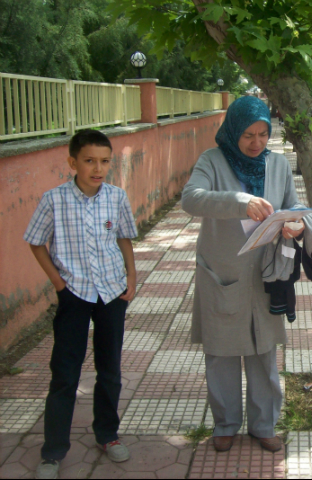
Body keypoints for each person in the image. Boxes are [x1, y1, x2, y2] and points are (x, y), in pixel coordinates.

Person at [181, 95, 305, 454]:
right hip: (223, 272)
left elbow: (290, 204)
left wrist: (294, 224)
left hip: (265, 274)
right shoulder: (212, 160)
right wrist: (239, 201)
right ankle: (225, 424)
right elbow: (191, 199)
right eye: (248, 135)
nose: (256, 143)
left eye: (263, 134)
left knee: (264, 352)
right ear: (233, 131)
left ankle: (264, 424)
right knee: (221, 351)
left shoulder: (278, 164)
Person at [24, 130, 137, 480]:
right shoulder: (54, 200)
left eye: (105, 161)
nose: (98, 168)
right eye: (89, 161)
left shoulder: (116, 197)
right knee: (65, 373)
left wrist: (131, 279)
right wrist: (59, 283)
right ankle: (53, 452)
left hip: (111, 293)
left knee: (110, 370)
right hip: (74, 295)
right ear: (73, 162)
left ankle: (107, 434)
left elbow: (123, 237)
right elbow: (36, 242)